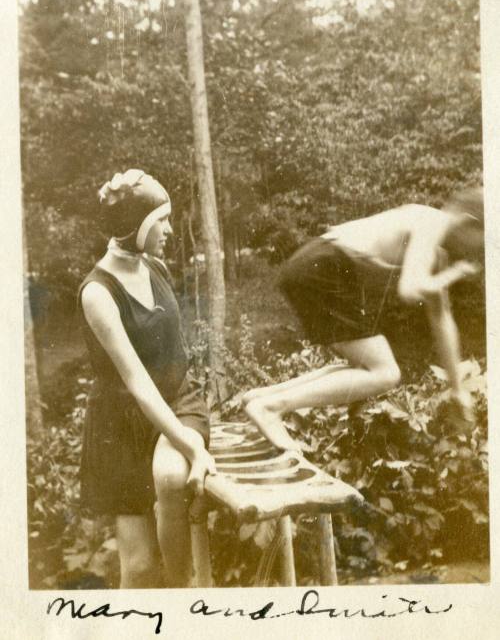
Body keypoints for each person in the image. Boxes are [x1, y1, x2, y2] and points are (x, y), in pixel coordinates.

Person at [243, 188, 484, 453]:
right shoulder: (431, 222)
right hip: (325, 264)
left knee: (365, 366)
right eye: (484, 239)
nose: (480, 251)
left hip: (317, 263)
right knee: (385, 373)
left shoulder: (437, 252)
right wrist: (455, 274)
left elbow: (441, 318)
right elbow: (410, 289)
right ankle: (270, 408)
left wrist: (457, 388)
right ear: (468, 222)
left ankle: (262, 398)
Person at [78, 169, 215, 588]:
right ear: (136, 227)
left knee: (171, 475)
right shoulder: (97, 293)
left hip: (176, 402)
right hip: (120, 428)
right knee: (137, 567)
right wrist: (190, 444)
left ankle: (182, 601)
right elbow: (136, 382)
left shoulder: (155, 268)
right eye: (162, 220)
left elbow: (170, 360)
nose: (170, 230)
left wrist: (189, 440)